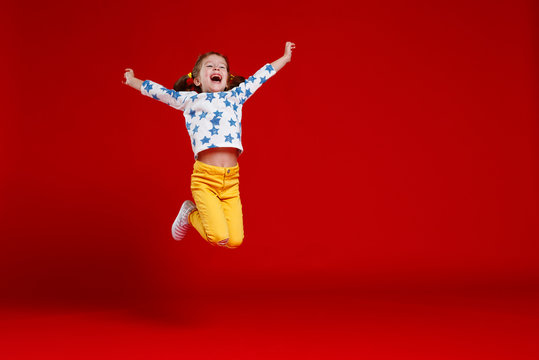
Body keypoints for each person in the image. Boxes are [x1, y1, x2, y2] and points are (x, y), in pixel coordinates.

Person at [123, 42, 295, 249]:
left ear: (227, 79)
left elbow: (261, 76)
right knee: (217, 236)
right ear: (196, 79)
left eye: (221, 67)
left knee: (235, 241)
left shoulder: (236, 96)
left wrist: (284, 58)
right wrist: (133, 80)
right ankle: (190, 215)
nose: (216, 69)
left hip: (231, 181)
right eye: (210, 66)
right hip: (205, 178)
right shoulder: (190, 100)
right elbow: (159, 92)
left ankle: (192, 215)